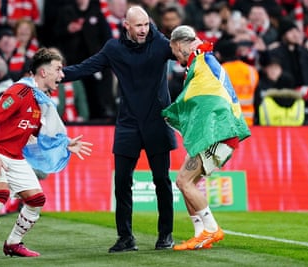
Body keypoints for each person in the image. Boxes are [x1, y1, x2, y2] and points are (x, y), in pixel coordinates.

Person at [63, 5, 177, 253]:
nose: (143, 30)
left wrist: (199, 49)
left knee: (162, 181)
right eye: (138, 25)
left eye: (146, 24)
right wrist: (56, 75)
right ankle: (125, 238)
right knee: (122, 182)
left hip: (157, 122)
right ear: (126, 25)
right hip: (128, 124)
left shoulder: (161, 44)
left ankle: (165, 235)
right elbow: (86, 67)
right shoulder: (113, 48)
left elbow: (184, 52)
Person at [0, 47, 93, 262]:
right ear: (43, 72)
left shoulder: (40, 100)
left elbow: (34, 135)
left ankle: (13, 243)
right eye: (58, 69)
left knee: (36, 199)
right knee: (1, 194)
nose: (62, 75)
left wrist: (65, 144)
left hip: (14, 155)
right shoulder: (20, 92)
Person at [162, 25, 250, 251]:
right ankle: (200, 234)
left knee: (183, 181)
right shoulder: (203, 61)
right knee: (187, 183)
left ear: (180, 44)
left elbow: (202, 100)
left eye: (174, 50)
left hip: (218, 135)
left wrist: (172, 113)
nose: (175, 56)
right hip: (219, 134)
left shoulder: (202, 64)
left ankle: (211, 229)